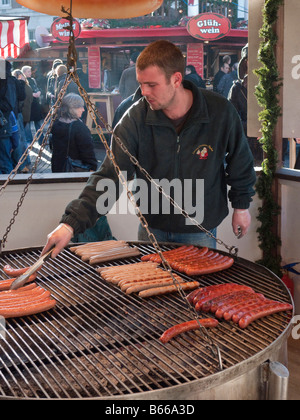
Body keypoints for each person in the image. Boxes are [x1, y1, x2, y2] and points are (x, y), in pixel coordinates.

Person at [42, 40, 256, 259]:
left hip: (199, 230)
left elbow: (240, 161)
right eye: (140, 83)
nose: (143, 92)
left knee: (198, 291)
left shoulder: (219, 111)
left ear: (176, 79)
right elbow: (110, 175)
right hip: (152, 227)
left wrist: (241, 206)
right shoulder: (135, 117)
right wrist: (70, 224)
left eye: (152, 85)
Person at [228, 45, 263, 165]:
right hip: (245, 146)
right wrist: (253, 128)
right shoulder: (237, 88)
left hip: (270, 146)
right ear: (245, 63)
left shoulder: (273, 86)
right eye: (250, 59)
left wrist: (267, 129)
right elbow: (232, 118)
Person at [50, 93, 98, 173]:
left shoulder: (56, 124)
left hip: (58, 168)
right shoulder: (79, 128)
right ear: (73, 109)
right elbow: (87, 152)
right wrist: (92, 167)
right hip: (76, 170)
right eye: (80, 107)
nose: (83, 109)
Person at [0, 60, 25, 174]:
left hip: (3, 126)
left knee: (4, 160)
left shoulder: (8, 82)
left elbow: (8, 105)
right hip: (4, 126)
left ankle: (7, 188)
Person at [21, 65, 44, 145]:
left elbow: (37, 88)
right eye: (28, 71)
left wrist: (39, 92)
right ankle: (29, 142)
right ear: (24, 73)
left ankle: (41, 140)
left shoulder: (33, 80)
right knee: (27, 125)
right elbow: (23, 93)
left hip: (35, 105)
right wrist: (32, 94)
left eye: (30, 71)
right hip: (28, 106)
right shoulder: (22, 81)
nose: (30, 73)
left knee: (38, 124)